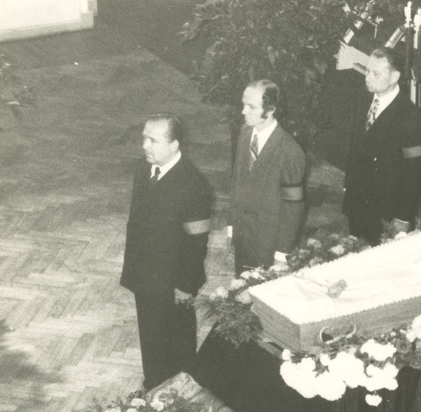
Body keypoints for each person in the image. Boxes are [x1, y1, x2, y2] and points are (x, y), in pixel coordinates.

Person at [120, 113, 212, 391]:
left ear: (174, 145)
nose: (145, 145)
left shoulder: (194, 185)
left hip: (174, 282)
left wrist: (185, 285)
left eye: (153, 140)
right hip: (145, 275)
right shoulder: (143, 168)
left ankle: (178, 392)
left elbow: (197, 243)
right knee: (150, 335)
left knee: (177, 341)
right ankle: (153, 384)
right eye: (144, 138)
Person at [343, 47, 421, 244]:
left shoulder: (410, 116)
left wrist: (403, 216)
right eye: (367, 70)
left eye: (376, 73)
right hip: (357, 200)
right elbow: (355, 147)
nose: (367, 77)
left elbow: (414, 171)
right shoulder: (363, 99)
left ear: (394, 76)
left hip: (385, 208)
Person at [229, 79, 306, 274]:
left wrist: (282, 254)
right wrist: (231, 227)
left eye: (251, 107)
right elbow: (237, 181)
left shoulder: (290, 151)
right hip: (242, 235)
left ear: (271, 109)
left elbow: (293, 208)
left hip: (267, 243)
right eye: (243, 104)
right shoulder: (245, 133)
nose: (243, 111)